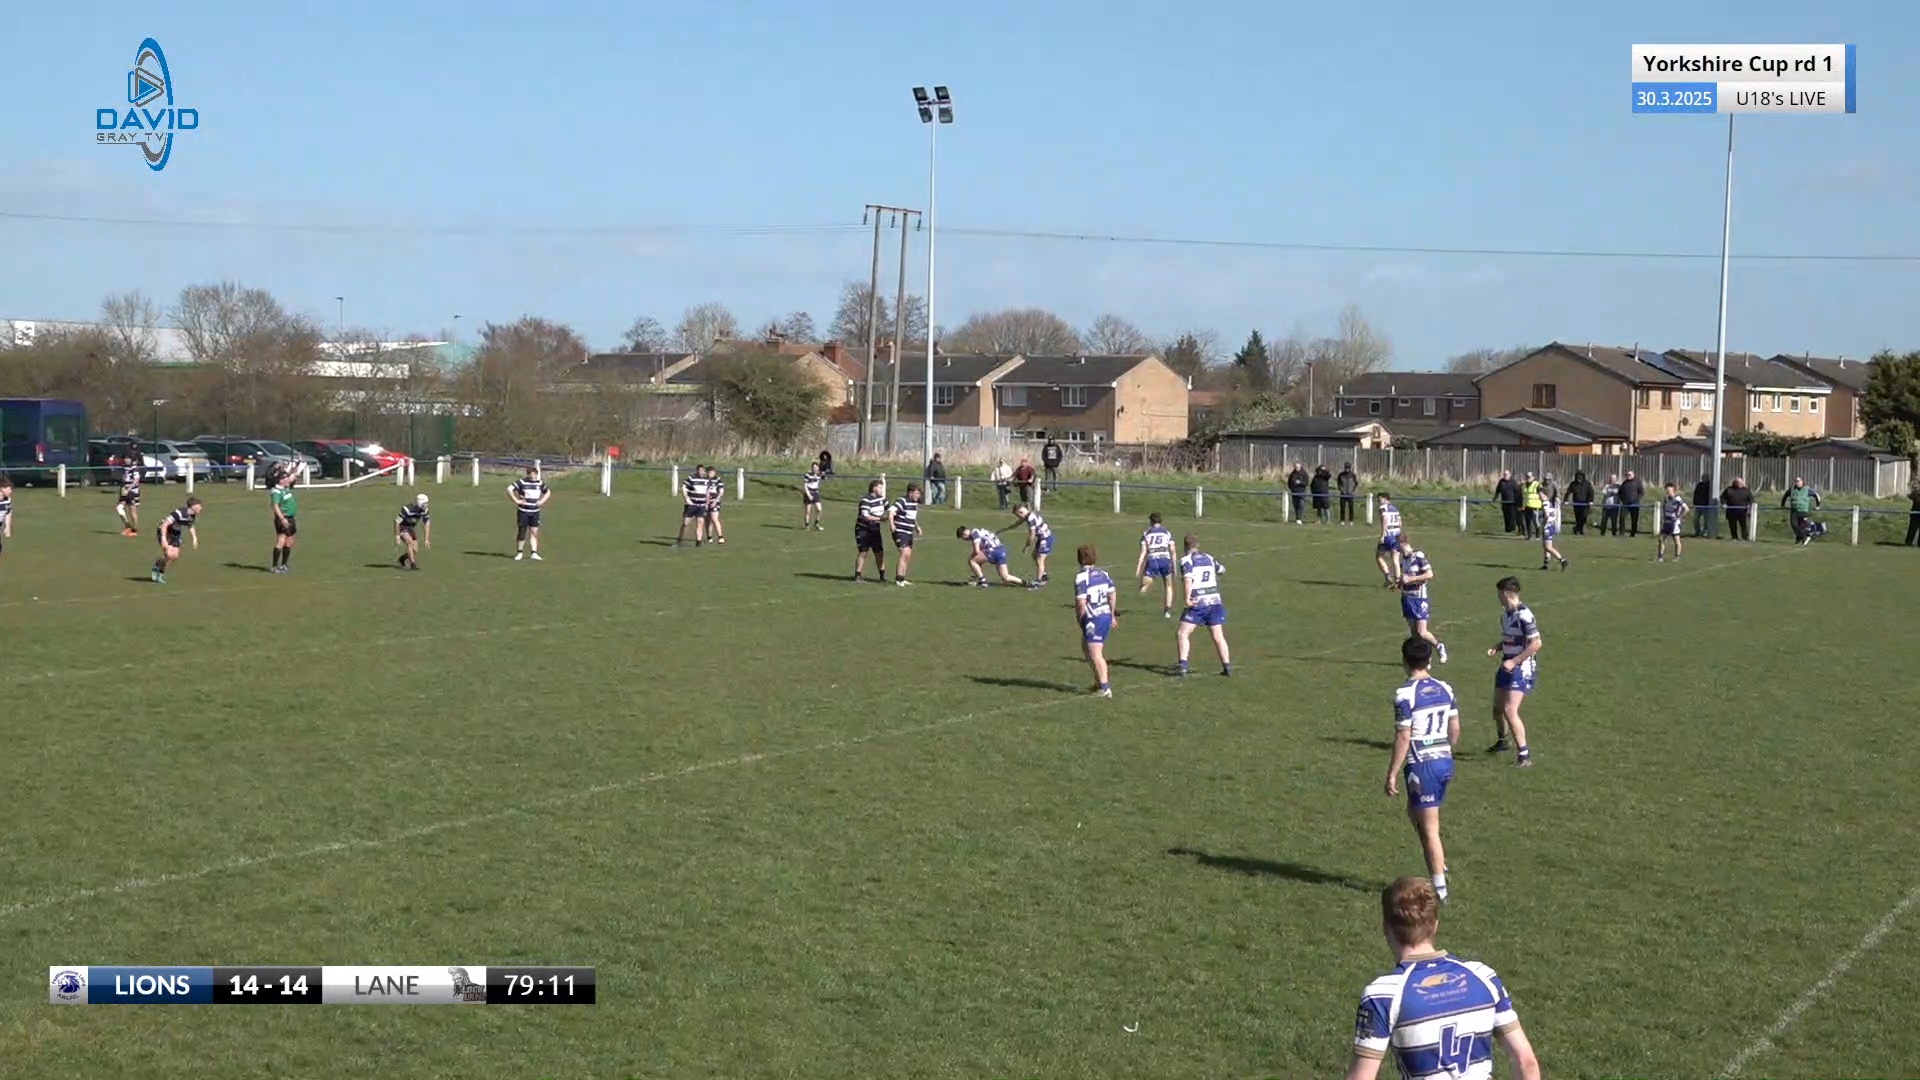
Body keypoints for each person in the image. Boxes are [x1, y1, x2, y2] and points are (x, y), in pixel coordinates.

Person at [1344, 877, 1542, 1080]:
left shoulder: (1382, 995)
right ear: (1435, 925)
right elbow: (1526, 1062)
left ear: (1385, 927)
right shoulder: (1484, 977)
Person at [1384, 638, 1460, 901]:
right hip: (1444, 760)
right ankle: (1440, 863)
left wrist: (1392, 772)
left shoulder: (1404, 695)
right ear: (1429, 660)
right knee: (1413, 811)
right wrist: (1446, 751)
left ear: (1404, 662)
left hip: (1423, 765)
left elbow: (1404, 737)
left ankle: (1439, 889)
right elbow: (1455, 729)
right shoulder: (1446, 688)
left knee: (1429, 831)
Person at [1485, 576, 1538, 766]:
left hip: (1520, 667)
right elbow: (1513, 639)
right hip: (1507, 663)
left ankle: (1524, 755)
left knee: (1509, 709)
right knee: (1497, 709)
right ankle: (1502, 741)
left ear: (1506, 594)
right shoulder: (1506, 614)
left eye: (1499, 594)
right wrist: (1498, 647)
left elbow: (1536, 643)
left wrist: (1514, 661)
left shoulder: (1524, 615)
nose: (1497, 597)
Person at [1175, 534, 1231, 677]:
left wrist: (1187, 598)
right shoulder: (1210, 558)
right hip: (1215, 601)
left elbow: (1188, 580)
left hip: (1198, 602)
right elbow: (1222, 570)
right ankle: (1227, 666)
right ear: (1197, 545)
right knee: (1218, 636)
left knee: (1182, 633)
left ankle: (1183, 665)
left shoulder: (1186, 561)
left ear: (1185, 546)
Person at [1073, 543, 1117, 698]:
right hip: (1105, 615)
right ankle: (1098, 683)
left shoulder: (1081, 578)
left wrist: (1080, 619)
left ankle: (1105, 688)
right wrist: (1112, 614)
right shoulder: (1104, 574)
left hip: (1093, 618)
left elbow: (1080, 603)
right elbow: (1112, 594)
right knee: (1086, 648)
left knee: (1095, 653)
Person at [1395, 537, 1447, 664]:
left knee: (1422, 632)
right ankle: (1423, 659)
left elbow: (1429, 574)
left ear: (1403, 544)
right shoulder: (1404, 560)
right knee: (1414, 634)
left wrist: (1410, 579)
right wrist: (1398, 583)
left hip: (1419, 598)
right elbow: (1404, 578)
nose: (1395, 549)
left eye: (1397, 546)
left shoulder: (1417, 556)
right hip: (1407, 598)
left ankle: (1439, 646)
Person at [151, 497, 203, 584]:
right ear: (193, 506)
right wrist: (163, 538)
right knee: (169, 554)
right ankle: (158, 570)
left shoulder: (192, 515)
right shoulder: (179, 513)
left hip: (175, 533)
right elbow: (165, 524)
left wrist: (194, 538)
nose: (201, 508)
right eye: (199, 506)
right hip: (165, 531)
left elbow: (190, 525)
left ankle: (159, 568)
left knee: (174, 556)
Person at [1135, 511, 1177, 617]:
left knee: (1145, 584)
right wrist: (1174, 566)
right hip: (1165, 560)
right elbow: (1172, 550)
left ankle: (1138, 598)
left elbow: (1143, 552)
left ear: (1151, 521)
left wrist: (1139, 567)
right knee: (1168, 585)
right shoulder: (1167, 533)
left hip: (1152, 560)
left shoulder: (1147, 534)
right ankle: (1167, 610)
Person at [957, 524, 1026, 588]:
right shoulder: (982, 531)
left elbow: (977, 551)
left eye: (964, 538)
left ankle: (983, 581)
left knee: (971, 560)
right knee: (1006, 577)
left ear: (965, 534)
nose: (966, 540)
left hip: (993, 551)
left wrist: (973, 556)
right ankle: (1025, 583)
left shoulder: (974, 534)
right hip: (1001, 550)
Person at [509, 465, 550, 560]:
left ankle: (534, 553)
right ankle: (519, 553)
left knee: (534, 532)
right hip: (523, 511)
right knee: (522, 531)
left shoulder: (540, 483)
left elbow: (548, 492)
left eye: (535, 474)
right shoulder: (522, 482)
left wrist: (541, 501)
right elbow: (509, 489)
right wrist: (516, 500)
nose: (533, 476)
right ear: (528, 474)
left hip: (535, 511)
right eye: (531, 474)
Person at [1008, 504, 1055, 586]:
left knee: (1040, 560)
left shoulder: (1030, 519)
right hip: (1042, 538)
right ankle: (1043, 575)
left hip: (1045, 538)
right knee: (1034, 556)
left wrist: (1027, 546)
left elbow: (1032, 535)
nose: (1018, 517)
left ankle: (1038, 581)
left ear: (1021, 512)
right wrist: (1010, 527)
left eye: (1018, 515)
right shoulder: (1029, 514)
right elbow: (1020, 521)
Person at [887, 481, 923, 586]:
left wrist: (917, 527)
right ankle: (899, 579)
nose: (918, 496)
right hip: (900, 532)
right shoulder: (902, 501)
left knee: (908, 555)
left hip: (909, 532)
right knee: (904, 553)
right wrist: (892, 525)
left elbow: (912, 517)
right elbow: (891, 512)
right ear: (910, 493)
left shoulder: (914, 503)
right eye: (916, 493)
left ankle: (902, 577)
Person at [853, 479, 888, 583]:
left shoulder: (882, 500)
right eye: (880, 487)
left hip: (875, 529)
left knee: (879, 552)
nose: (882, 489)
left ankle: (882, 576)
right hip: (863, 529)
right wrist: (880, 519)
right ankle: (858, 576)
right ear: (874, 488)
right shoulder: (866, 500)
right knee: (863, 551)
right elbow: (866, 516)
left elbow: (891, 509)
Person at [269, 470, 299, 574]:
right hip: (283, 519)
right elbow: (275, 506)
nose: (288, 480)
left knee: (289, 541)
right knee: (281, 540)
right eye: (286, 478)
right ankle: (274, 566)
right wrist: (282, 519)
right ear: (281, 480)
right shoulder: (276, 492)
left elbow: (293, 476)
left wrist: (299, 465)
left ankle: (284, 565)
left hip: (290, 518)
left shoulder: (285, 488)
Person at [1375, 492, 1404, 587]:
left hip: (1388, 535)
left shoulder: (1383, 508)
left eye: (1379, 499)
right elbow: (1400, 523)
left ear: (1385, 499)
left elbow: (1384, 520)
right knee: (1395, 559)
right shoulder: (1395, 509)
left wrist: (1382, 535)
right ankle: (1398, 581)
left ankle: (1388, 577)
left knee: (1379, 556)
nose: (1378, 501)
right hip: (1396, 535)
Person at [395, 493, 431, 570]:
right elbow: (397, 522)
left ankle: (402, 559)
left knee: (415, 550)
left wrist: (426, 539)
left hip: (411, 528)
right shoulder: (407, 509)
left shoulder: (424, 511)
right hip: (402, 527)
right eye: (425, 503)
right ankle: (413, 564)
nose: (426, 505)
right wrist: (397, 536)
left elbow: (427, 524)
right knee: (410, 542)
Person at [1782, 475, 1821, 545]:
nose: (1798, 483)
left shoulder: (1807, 489)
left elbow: (1816, 496)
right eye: (1796, 481)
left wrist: (1818, 505)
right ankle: (1803, 537)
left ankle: (1800, 538)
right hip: (1794, 510)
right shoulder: (1792, 489)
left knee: (1801, 527)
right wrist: (1783, 504)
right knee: (1794, 525)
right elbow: (1785, 495)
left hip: (1803, 510)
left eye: (1799, 481)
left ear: (1802, 482)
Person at [677, 465, 711, 547]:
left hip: (701, 505)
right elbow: (684, 488)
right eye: (700, 470)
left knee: (700, 522)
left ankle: (698, 542)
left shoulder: (707, 480)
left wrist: (707, 503)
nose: (701, 472)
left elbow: (707, 493)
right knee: (686, 523)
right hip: (692, 504)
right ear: (697, 470)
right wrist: (687, 498)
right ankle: (680, 538)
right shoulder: (691, 478)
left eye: (703, 470)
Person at [1657, 481, 1688, 562]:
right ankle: (1660, 557)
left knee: (1676, 540)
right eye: (1667, 490)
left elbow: (1686, 509)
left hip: (1674, 523)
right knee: (1661, 539)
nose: (1668, 492)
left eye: (1669, 491)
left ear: (1673, 490)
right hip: (1667, 522)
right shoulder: (1666, 499)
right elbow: (1664, 508)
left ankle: (1677, 557)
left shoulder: (1677, 499)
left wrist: (1679, 517)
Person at [1539, 497, 1568, 571]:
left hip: (1548, 527)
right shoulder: (1549, 503)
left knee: (1548, 547)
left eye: (1539, 494)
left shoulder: (1545, 503)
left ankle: (1562, 560)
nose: (1539, 496)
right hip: (1550, 526)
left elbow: (1547, 515)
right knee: (1546, 547)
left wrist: (1546, 525)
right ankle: (1546, 564)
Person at [115, 458, 142, 537]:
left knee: (132, 511)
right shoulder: (123, 468)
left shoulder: (134, 469)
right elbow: (123, 478)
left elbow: (136, 480)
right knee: (119, 508)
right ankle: (127, 526)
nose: (126, 460)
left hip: (132, 492)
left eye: (128, 458)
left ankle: (134, 530)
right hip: (124, 490)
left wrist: (129, 488)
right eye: (125, 458)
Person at [1722, 476, 1753, 541]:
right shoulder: (1729, 489)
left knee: (1743, 525)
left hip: (1742, 511)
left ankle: (1745, 537)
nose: (1739, 484)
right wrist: (1724, 503)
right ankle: (1734, 537)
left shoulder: (1746, 491)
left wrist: (1750, 507)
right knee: (1732, 525)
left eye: (1740, 482)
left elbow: (1751, 500)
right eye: (1738, 482)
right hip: (1731, 511)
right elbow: (1723, 498)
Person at [701, 465, 727, 545]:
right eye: (708, 473)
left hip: (714, 502)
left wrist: (715, 501)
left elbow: (721, 492)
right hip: (706, 502)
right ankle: (709, 537)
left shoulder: (718, 481)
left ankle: (720, 536)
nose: (710, 474)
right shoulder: (705, 480)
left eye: (711, 473)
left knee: (714, 518)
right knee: (707, 520)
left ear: (714, 472)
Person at [1565, 470, 1594, 535]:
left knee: (1584, 517)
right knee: (1578, 518)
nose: (1579, 477)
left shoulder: (1587, 484)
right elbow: (1568, 492)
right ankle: (1580, 530)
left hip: (1585, 504)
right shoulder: (1573, 484)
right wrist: (1565, 500)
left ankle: (1577, 529)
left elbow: (1591, 492)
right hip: (1576, 504)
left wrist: (1591, 500)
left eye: (1580, 476)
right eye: (1578, 476)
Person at [1618, 470, 1646, 537]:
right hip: (1625, 504)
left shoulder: (1637, 482)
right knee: (1621, 517)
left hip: (1634, 504)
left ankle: (1633, 533)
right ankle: (1622, 532)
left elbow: (1641, 492)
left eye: (1629, 475)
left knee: (1634, 519)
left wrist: (1636, 499)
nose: (1628, 476)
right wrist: (1622, 499)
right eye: (1627, 475)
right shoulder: (1624, 483)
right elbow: (1620, 493)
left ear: (1633, 475)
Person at [1493, 470, 1520, 535]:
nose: (1505, 475)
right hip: (1504, 502)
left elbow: (1517, 491)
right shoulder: (1501, 482)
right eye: (1504, 474)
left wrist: (1518, 500)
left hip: (1512, 502)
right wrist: (1494, 498)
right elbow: (1497, 491)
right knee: (1506, 516)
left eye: (1506, 474)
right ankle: (1507, 529)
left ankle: (1512, 529)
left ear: (1510, 475)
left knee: (1512, 516)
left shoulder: (1513, 482)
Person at [800, 462, 825, 531]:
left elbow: (825, 476)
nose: (815, 469)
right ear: (811, 468)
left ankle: (816, 524)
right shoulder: (807, 475)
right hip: (809, 493)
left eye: (816, 468)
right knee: (808, 511)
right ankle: (807, 525)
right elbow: (805, 486)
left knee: (819, 510)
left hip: (816, 493)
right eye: (814, 468)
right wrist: (809, 495)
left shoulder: (819, 475)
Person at [1518, 471, 1541, 540]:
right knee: (1527, 521)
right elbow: (1524, 496)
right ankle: (1529, 536)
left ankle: (1538, 535)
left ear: (1533, 477)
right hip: (1527, 506)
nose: (1528, 478)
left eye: (1530, 477)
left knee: (1535, 521)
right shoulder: (1525, 485)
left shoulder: (1537, 484)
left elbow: (1541, 493)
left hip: (1535, 506)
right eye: (1527, 477)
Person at [0, 474, 12, 561]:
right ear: (2, 488)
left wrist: (7, 527)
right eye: (9, 489)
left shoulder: (7, 500)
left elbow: (8, 513)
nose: (11, 491)